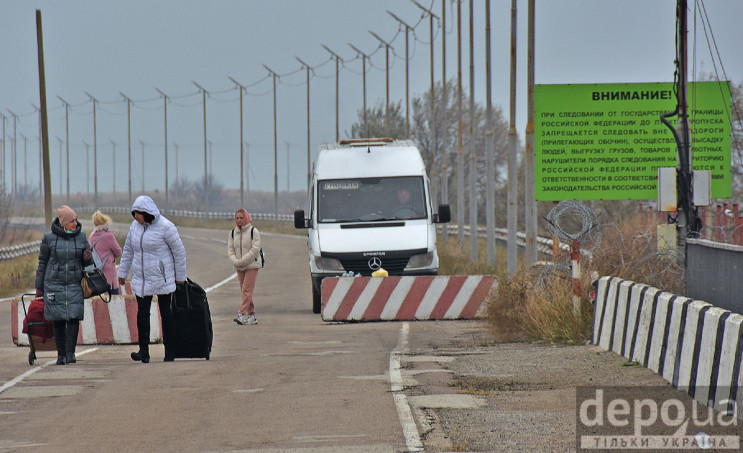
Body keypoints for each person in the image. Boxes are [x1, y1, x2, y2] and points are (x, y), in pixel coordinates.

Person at [117, 195, 187, 363]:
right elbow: (128, 251)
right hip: (141, 279)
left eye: (137, 214)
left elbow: (179, 252)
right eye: (133, 214)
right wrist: (122, 273)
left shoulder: (166, 227)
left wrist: (180, 278)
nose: (135, 217)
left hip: (162, 278)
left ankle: (170, 351)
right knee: (142, 314)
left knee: (166, 314)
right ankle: (144, 351)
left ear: (146, 212)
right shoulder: (135, 227)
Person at [35, 205, 93, 365]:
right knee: (58, 319)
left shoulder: (81, 237)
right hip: (54, 284)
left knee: (73, 317)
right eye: (71, 221)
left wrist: (88, 257)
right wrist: (39, 286)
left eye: (76, 220)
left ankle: (70, 353)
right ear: (63, 223)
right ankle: (61, 355)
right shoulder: (49, 238)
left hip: (74, 284)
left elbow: (89, 264)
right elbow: (42, 263)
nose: (75, 223)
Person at [227, 208, 262, 325]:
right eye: (237, 218)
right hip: (239, 266)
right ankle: (252, 315)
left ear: (246, 218)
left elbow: (255, 249)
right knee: (245, 291)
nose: (239, 220)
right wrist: (236, 261)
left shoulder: (253, 231)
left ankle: (241, 314)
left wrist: (243, 261)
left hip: (252, 265)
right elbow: (230, 249)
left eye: (241, 218)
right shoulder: (233, 233)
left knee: (247, 290)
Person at [89, 211, 123, 294]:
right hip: (109, 275)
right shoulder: (108, 236)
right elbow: (118, 252)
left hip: (97, 274)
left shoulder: (91, 236)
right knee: (114, 300)